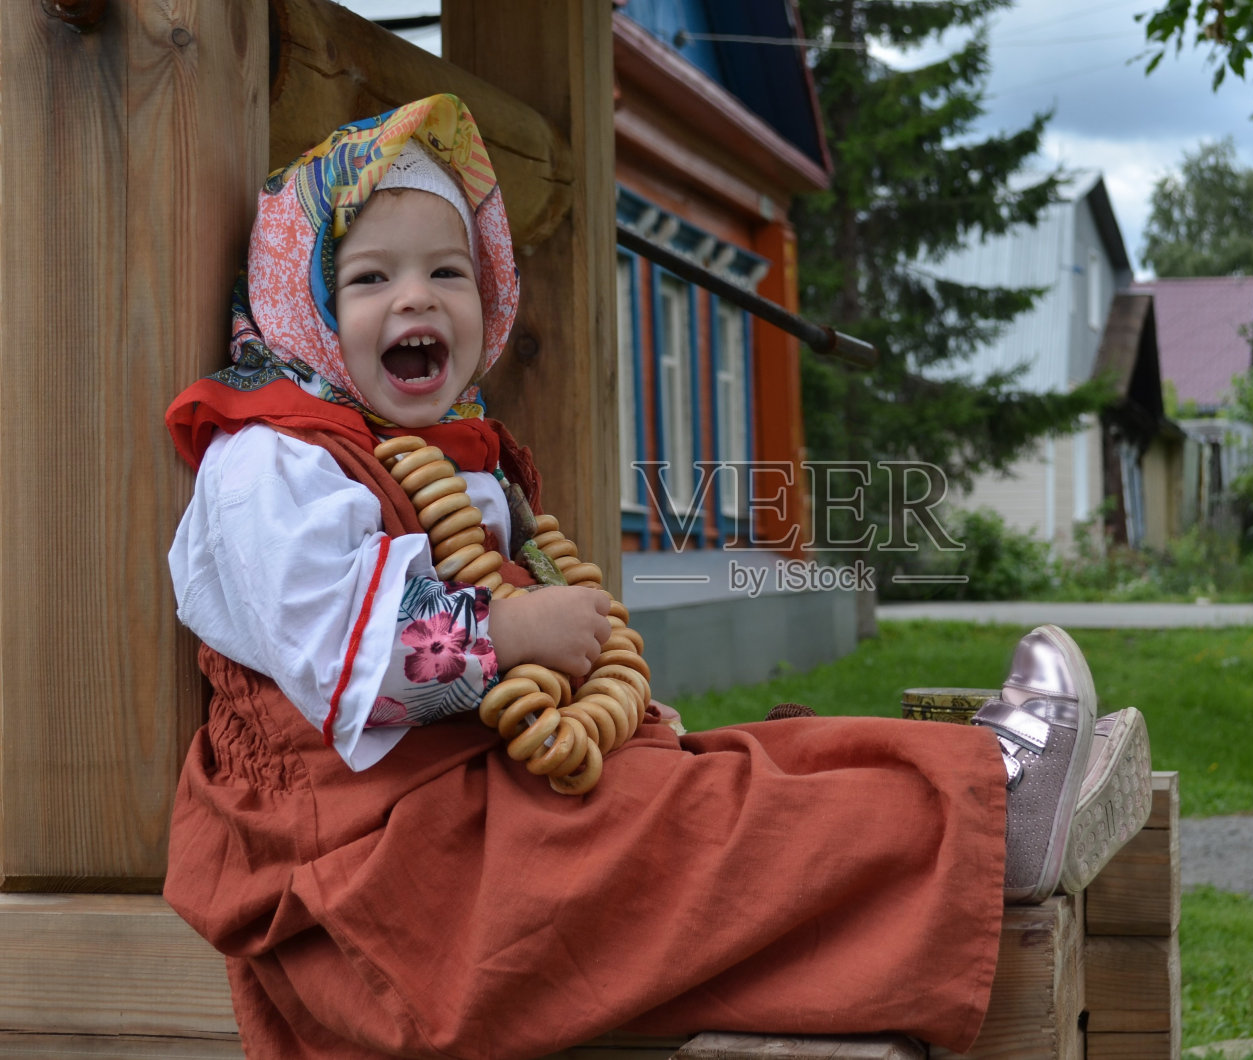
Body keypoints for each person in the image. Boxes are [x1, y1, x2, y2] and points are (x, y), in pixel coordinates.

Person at [164, 94, 1149, 1060]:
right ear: (303, 302)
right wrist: (509, 635)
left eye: (447, 271)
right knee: (686, 829)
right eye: (371, 276)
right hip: (368, 864)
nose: (415, 297)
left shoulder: (437, 455)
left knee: (728, 765)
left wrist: (598, 691)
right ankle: (985, 815)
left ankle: (974, 789)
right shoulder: (270, 464)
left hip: (447, 801)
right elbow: (336, 646)